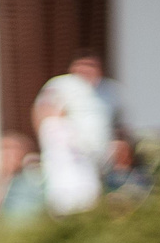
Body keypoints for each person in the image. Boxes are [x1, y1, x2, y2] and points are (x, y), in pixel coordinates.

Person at [35, 53, 127, 218]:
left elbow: (119, 122)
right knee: (70, 198)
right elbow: (44, 114)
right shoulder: (61, 85)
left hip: (101, 156)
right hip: (72, 156)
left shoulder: (110, 90)